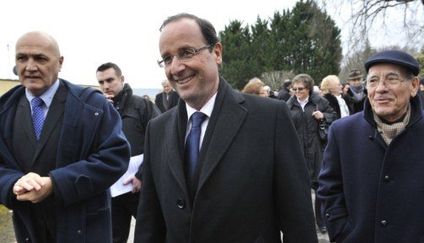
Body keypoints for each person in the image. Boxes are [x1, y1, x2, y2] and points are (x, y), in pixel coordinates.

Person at [134, 13, 318, 243]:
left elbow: (298, 221)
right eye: (167, 59)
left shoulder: (270, 118)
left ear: (217, 52)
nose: (176, 67)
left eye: (186, 52)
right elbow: (149, 224)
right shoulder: (157, 130)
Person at [0, 31, 130, 243]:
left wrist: (56, 183)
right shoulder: (5, 109)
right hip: (30, 228)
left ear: (60, 63)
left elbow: (115, 157)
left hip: (84, 228)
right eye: (22, 58)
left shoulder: (92, 106)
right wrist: (12, 182)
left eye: (40, 58)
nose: (30, 67)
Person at [317, 50, 424, 243]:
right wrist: (344, 234)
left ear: (414, 86)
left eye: (391, 79)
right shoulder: (343, 132)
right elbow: (329, 190)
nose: (380, 89)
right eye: (373, 81)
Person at [96, 62, 160, 243]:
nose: (106, 86)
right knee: (114, 237)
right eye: (101, 82)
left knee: (151, 234)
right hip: (112, 189)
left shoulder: (142, 106)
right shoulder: (97, 110)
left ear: (122, 79)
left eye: (110, 80)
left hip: (140, 187)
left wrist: (142, 175)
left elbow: (160, 142)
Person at [286, 73, 337, 234]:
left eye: (300, 89)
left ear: (308, 88)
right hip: (298, 151)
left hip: (317, 149)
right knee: (301, 190)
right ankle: (305, 222)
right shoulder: (288, 105)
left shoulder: (319, 102)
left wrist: (323, 116)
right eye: (294, 89)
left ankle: (321, 221)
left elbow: (334, 116)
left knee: (320, 187)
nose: (297, 92)